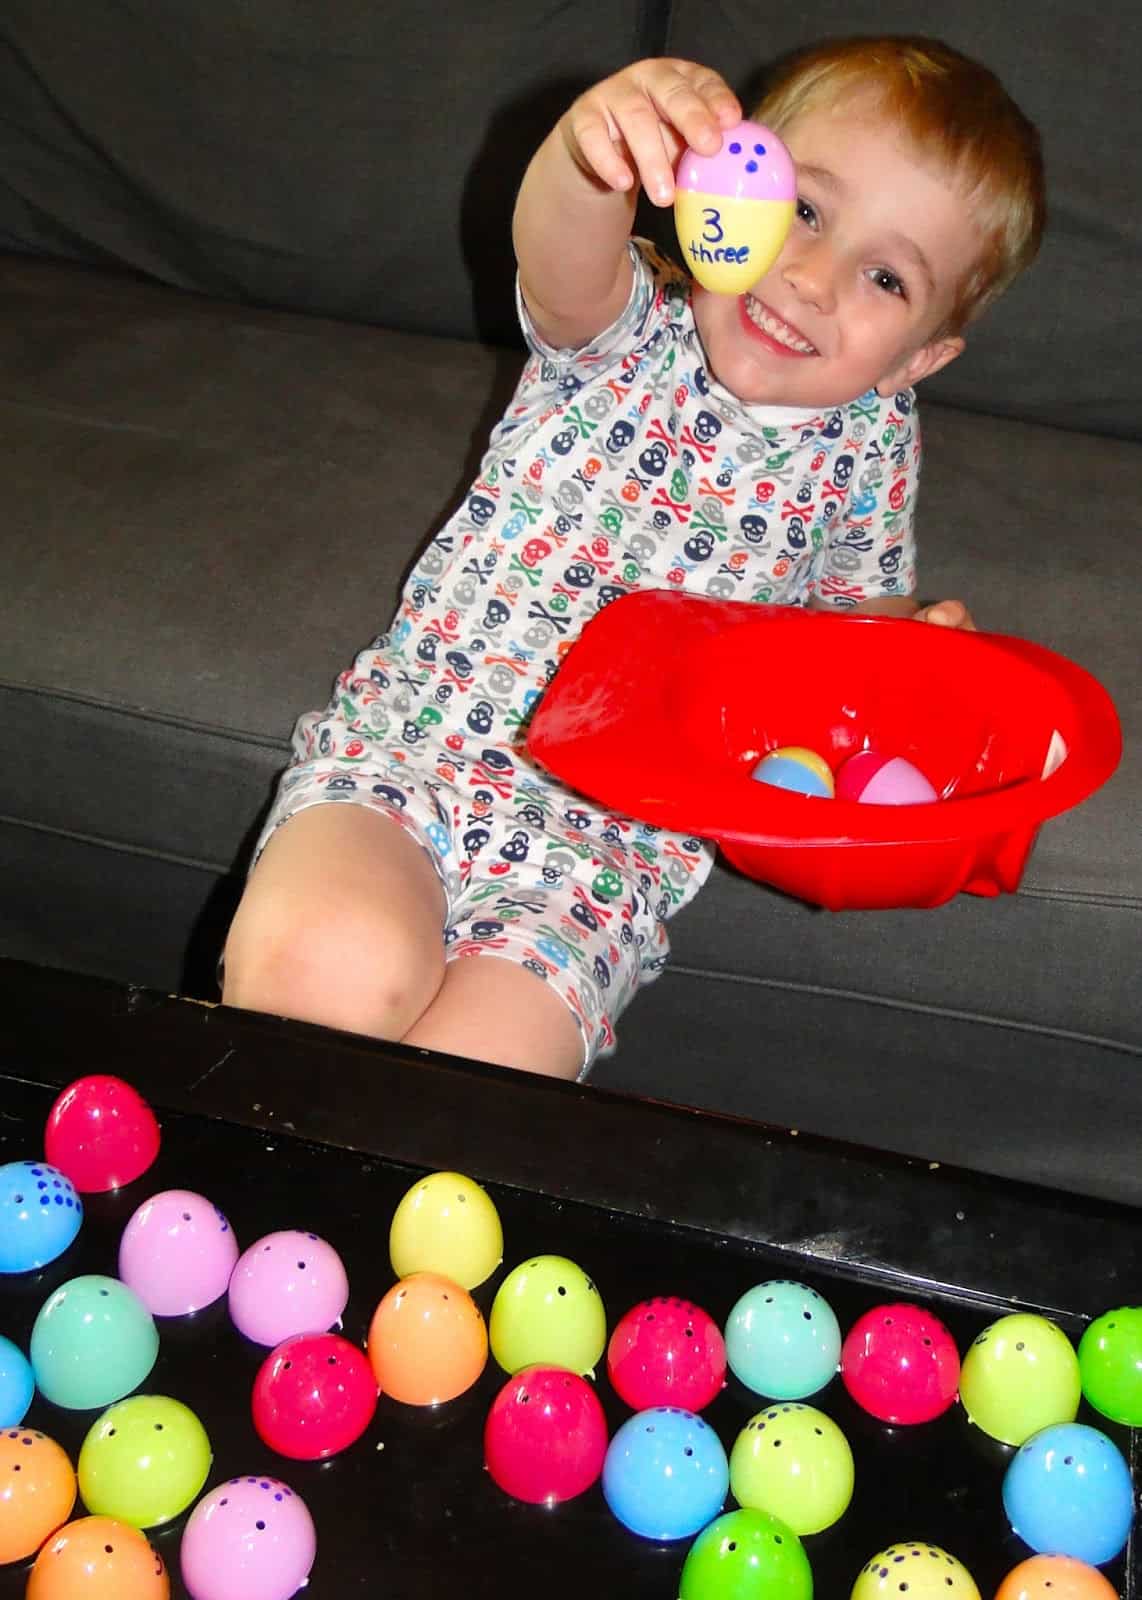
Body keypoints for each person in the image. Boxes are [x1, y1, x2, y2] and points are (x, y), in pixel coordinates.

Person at [221, 37, 1046, 1082]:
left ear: (919, 356)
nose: (810, 277)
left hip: (607, 856)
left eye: (885, 277)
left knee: (473, 1094)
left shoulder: (872, 441)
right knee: (323, 972)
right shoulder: (628, 323)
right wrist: (588, 152)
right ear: (717, 187)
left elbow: (850, 626)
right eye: (799, 209)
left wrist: (914, 650)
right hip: (415, 752)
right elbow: (557, 256)